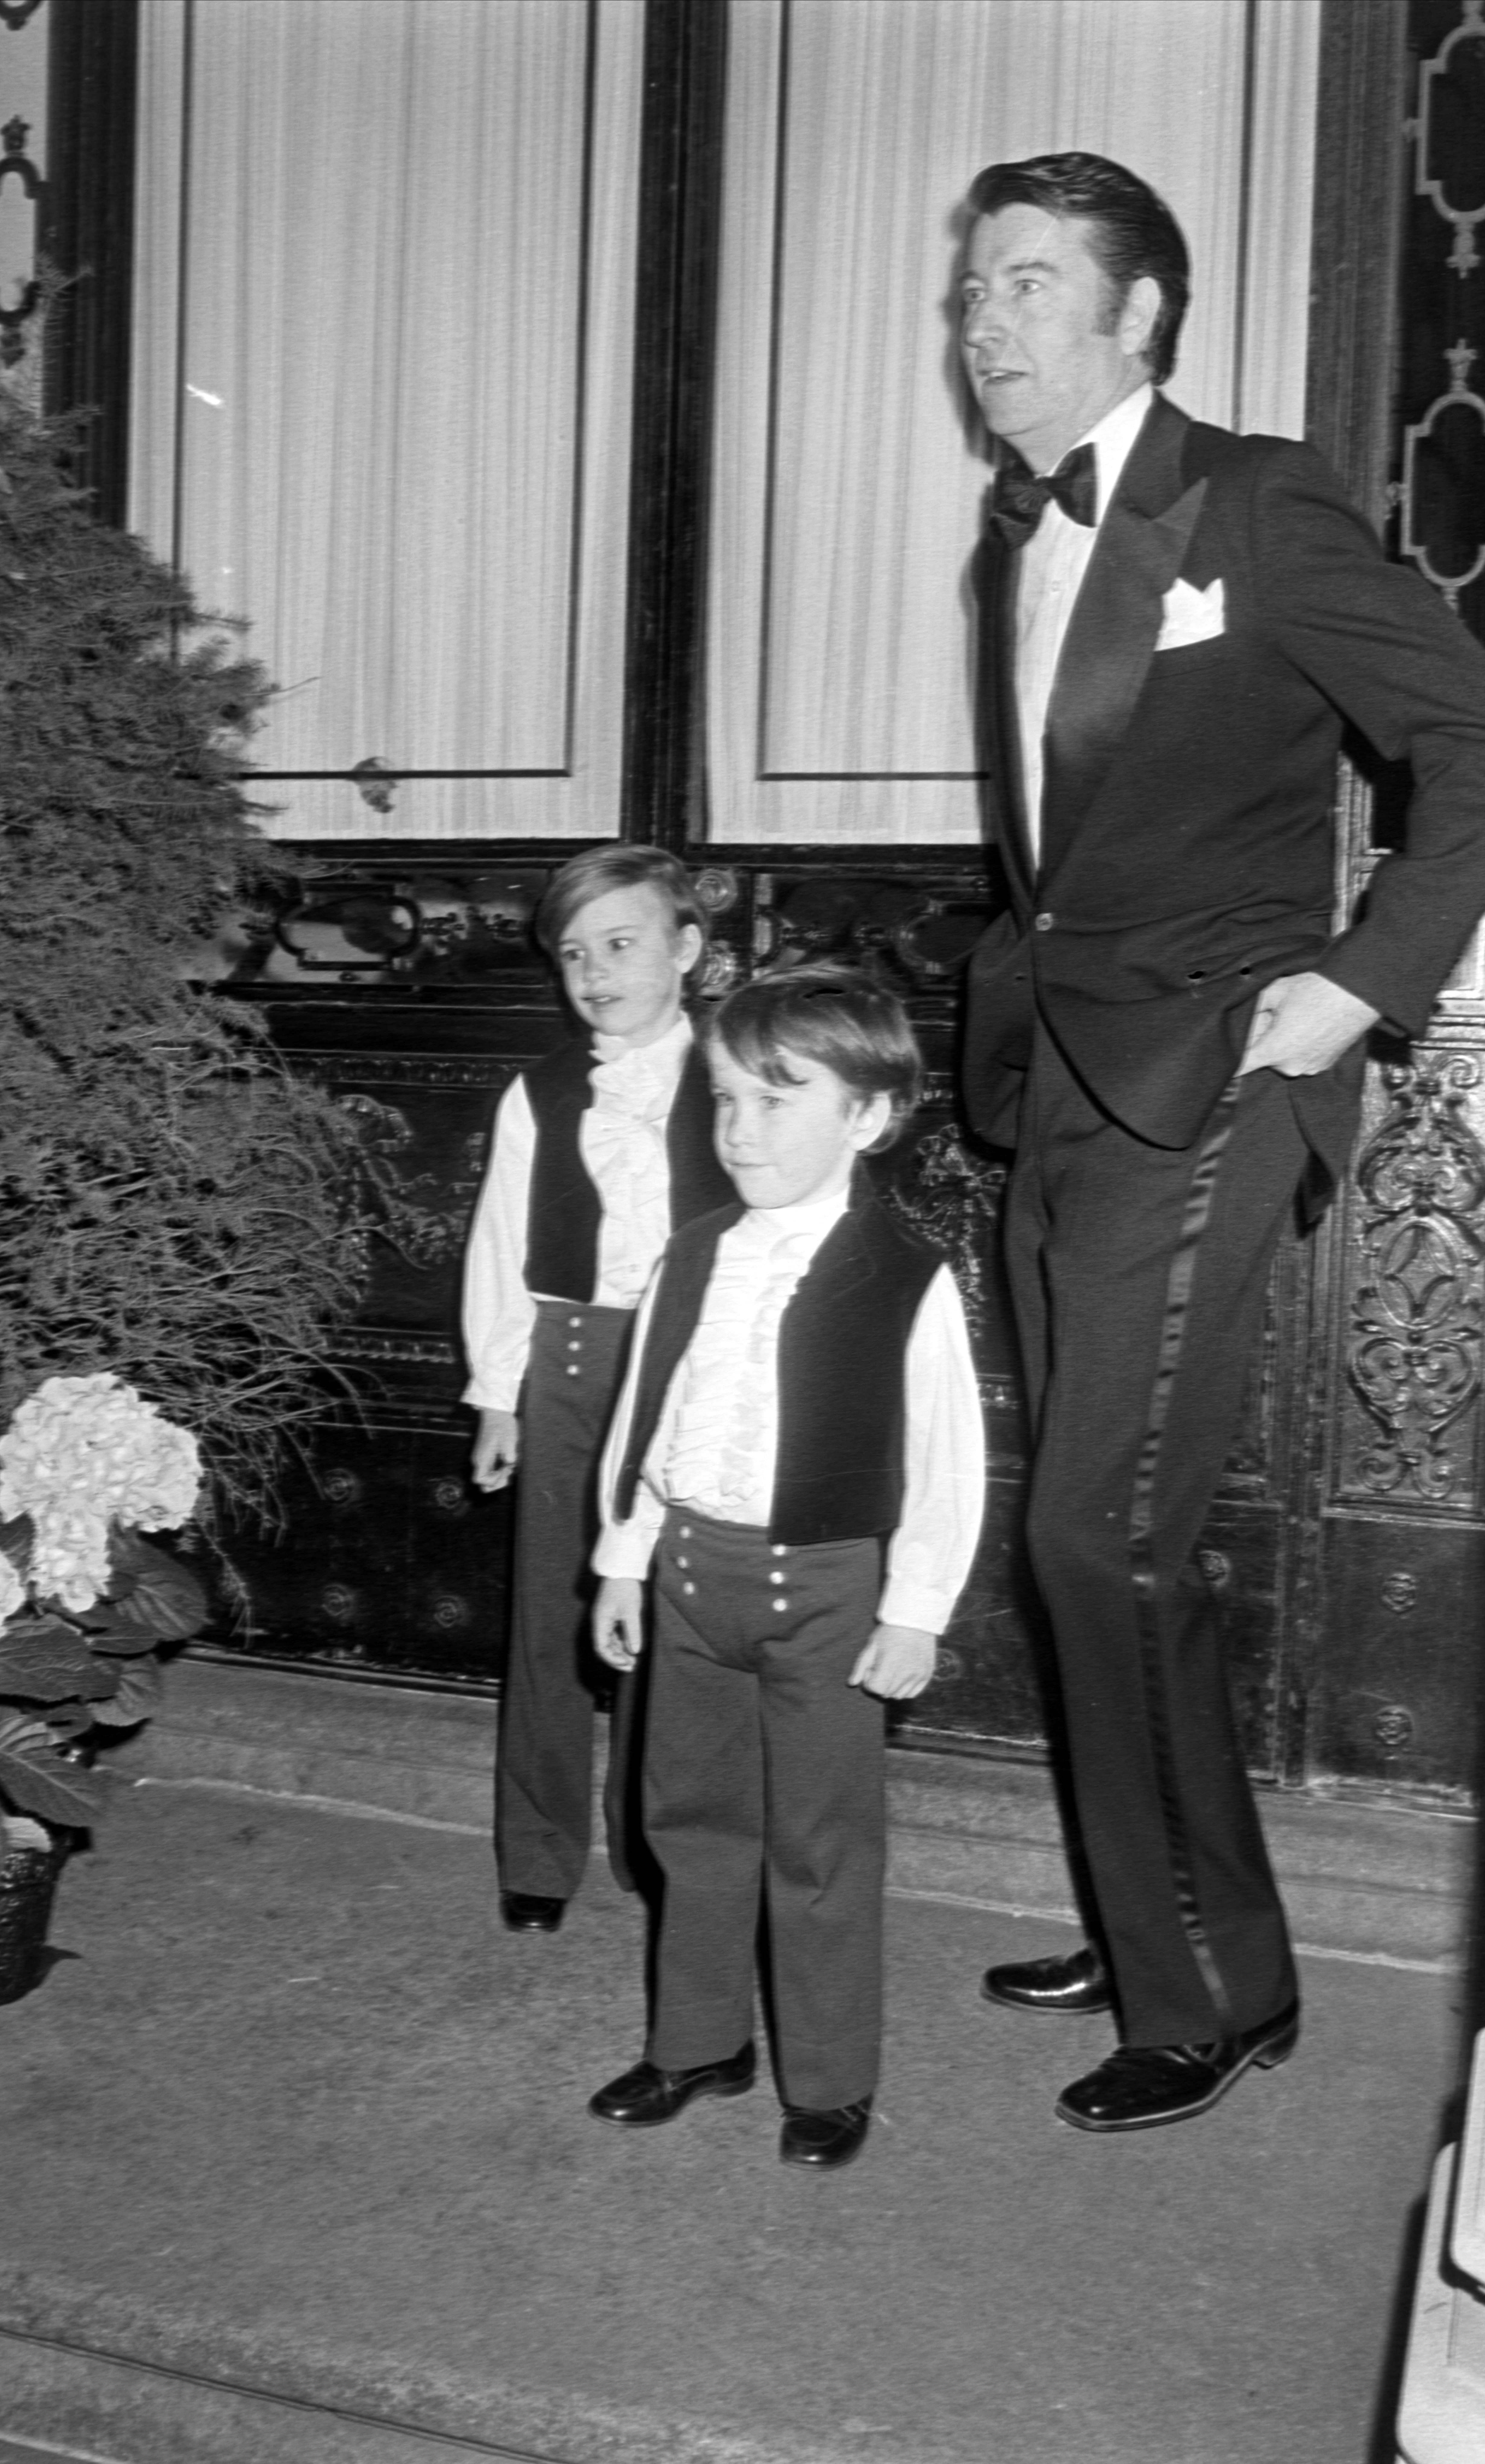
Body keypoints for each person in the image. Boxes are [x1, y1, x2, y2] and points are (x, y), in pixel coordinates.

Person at [957, 152, 1485, 2133]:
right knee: (1112, 1550)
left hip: (1218, 1081)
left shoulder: (1259, 501)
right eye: (976, 289)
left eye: (1030, 285)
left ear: (1141, 317)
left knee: (1090, 1537)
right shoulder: (1006, 537)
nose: (986, 321)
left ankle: (1188, 1986)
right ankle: (1190, 1938)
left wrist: (1361, 982)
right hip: (1060, 1083)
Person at [585, 966, 985, 2168]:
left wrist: (915, 1608)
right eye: (722, 1101)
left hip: (822, 1593)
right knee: (691, 1820)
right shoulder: (692, 1257)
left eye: (775, 1100)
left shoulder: (900, 1276)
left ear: (866, 1115)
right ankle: (699, 2038)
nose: (739, 1130)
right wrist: (622, 1558)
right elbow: (646, 1417)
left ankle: (827, 2076)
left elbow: (946, 1457)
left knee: (818, 1839)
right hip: (689, 1581)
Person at [461, 845, 735, 1932]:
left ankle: (660, 1839)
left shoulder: (739, 1073)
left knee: (679, 1609)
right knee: (557, 1608)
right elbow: (504, 1240)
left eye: (622, 944)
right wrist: (499, 1388)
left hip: (698, 1365)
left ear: (688, 950)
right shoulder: (541, 1092)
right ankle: (537, 1848)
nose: (596, 972)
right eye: (575, 954)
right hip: (573, 1362)